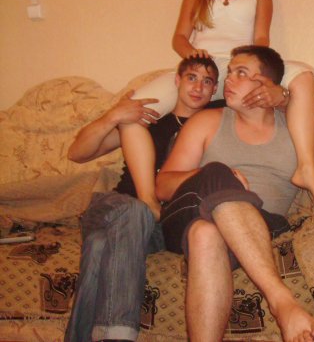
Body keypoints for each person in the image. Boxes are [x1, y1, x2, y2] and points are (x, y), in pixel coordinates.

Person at [120, 0, 314, 220]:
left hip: (239, 69)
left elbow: (261, 40)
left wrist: (262, 78)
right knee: (131, 111)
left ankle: (306, 167)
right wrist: (192, 55)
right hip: (203, 70)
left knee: (303, 74)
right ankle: (148, 201)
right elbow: (179, 38)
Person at [156, 46, 314, 342]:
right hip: (187, 214)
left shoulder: (302, 128)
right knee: (217, 172)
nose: (228, 79)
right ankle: (281, 302)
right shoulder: (207, 121)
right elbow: (163, 185)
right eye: (230, 72)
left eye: (240, 73)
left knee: (205, 234)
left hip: (261, 225)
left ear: (267, 84)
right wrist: (215, 177)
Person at [64, 56, 219, 342]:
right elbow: (77, 153)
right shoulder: (149, 120)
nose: (198, 87)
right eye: (191, 78)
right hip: (115, 207)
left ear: (215, 90)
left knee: (99, 246)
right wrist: (113, 115)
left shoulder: (216, 123)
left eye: (207, 81)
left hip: (157, 227)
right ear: (177, 81)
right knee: (135, 210)